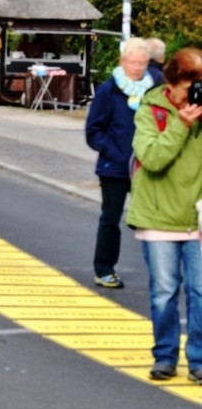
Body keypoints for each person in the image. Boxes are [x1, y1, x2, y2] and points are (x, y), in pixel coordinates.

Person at [127, 46, 202, 383]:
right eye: (191, 86)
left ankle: (199, 360)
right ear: (172, 83)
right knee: (164, 292)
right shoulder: (150, 109)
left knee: (200, 292)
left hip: (197, 216)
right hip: (157, 218)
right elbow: (152, 158)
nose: (196, 93)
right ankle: (166, 356)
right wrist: (181, 125)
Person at [84, 37, 154, 289]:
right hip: (114, 167)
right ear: (123, 61)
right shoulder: (108, 90)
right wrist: (116, 153)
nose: (137, 67)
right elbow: (93, 130)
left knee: (153, 220)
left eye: (142, 63)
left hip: (149, 167)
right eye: (133, 62)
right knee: (111, 219)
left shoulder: (155, 87)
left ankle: (160, 270)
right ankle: (104, 269)